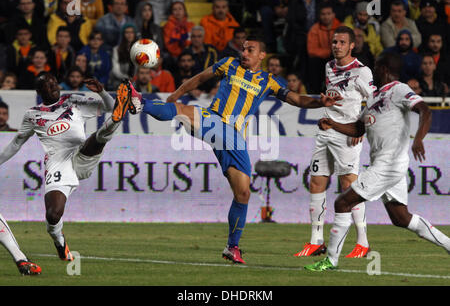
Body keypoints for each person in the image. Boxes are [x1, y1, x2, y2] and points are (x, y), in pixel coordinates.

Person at [125, 37, 342, 264]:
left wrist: (320, 102)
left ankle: (232, 247)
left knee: (243, 193)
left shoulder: (268, 81)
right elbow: (200, 78)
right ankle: (139, 101)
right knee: (183, 110)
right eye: (243, 49)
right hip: (215, 119)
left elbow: (296, 99)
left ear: (261, 56)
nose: (244, 53)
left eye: (250, 49)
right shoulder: (229, 64)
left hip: (235, 138)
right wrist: (177, 93)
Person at [305, 52, 450, 271]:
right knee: (401, 218)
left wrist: (418, 139)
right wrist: (332, 123)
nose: (372, 71)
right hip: (384, 165)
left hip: (389, 164)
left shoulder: (399, 89)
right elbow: (358, 128)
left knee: (342, 202)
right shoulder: (374, 97)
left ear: (383, 68)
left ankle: (331, 260)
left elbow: (425, 110)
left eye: (375, 67)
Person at [0, 73, 131, 262]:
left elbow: (111, 107)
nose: (53, 86)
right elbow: (15, 144)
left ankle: (114, 123)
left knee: (99, 137)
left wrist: (102, 91)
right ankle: (59, 240)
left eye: (54, 82)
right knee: (53, 215)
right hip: (58, 162)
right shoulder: (32, 115)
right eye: (47, 84)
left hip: (80, 152)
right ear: (39, 91)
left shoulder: (73, 101)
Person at [295, 26, 376, 258]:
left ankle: (362, 241)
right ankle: (316, 240)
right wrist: (326, 100)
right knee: (316, 182)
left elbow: (374, 101)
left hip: (348, 134)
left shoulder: (363, 71)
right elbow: (335, 95)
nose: (336, 46)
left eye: (342, 42)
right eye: (334, 42)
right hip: (326, 128)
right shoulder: (328, 67)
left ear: (352, 45)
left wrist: (363, 126)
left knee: (349, 187)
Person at [307, 2, 341, 93]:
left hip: (337, 59)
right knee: (313, 62)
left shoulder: (341, 27)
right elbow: (312, 50)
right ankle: (316, 92)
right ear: (319, 16)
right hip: (321, 60)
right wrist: (328, 52)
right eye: (323, 14)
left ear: (333, 15)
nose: (326, 17)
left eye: (328, 14)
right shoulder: (315, 29)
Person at [108, 24, 137, 90]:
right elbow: (115, 69)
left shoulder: (139, 49)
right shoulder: (116, 49)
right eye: (127, 32)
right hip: (120, 80)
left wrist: (134, 78)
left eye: (132, 32)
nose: (129, 35)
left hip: (136, 80)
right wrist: (126, 78)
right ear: (123, 34)